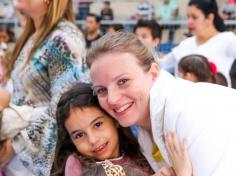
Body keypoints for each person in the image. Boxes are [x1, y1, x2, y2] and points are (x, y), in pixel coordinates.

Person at [86, 31, 236, 176]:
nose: (112, 99)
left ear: (153, 72)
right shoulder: (146, 126)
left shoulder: (191, 113)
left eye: (123, 81)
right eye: (101, 90)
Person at [0, 0, 89, 175]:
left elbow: (65, 108)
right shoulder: (34, 35)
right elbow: (24, 95)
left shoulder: (63, 38)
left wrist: (15, 146)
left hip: (39, 161)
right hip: (19, 160)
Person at [52, 83, 155, 176]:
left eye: (97, 125)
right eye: (79, 135)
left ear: (115, 119)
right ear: (71, 140)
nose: (92, 140)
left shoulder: (141, 153)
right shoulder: (78, 165)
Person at [160, 0, 236, 87]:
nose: (189, 22)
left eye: (194, 17)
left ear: (210, 18)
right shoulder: (185, 44)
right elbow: (161, 65)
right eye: (188, 17)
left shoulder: (227, 39)